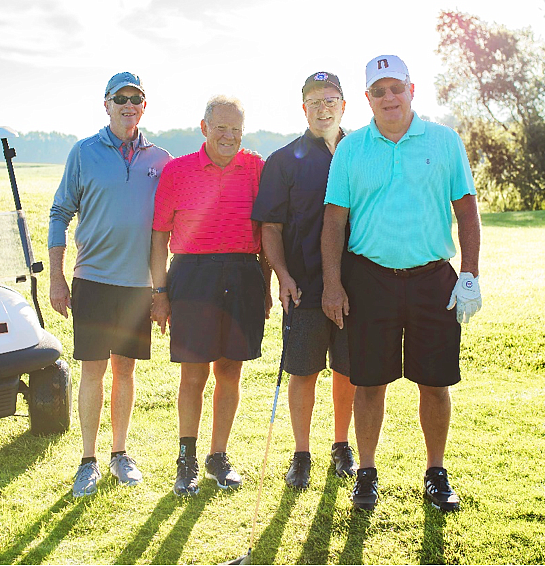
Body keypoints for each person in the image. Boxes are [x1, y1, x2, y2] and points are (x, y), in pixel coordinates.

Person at [321, 55, 482, 513]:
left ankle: (435, 473)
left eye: (396, 88)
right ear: (367, 98)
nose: (389, 97)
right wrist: (333, 284)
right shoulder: (351, 150)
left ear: (412, 89)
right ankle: (367, 473)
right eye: (379, 91)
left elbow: (467, 210)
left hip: (433, 280)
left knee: (435, 383)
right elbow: (334, 221)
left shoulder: (444, 141)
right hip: (369, 280)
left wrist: (469, 273)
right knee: (369, 382)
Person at [48, 72, 172, 498]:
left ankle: (120, 454)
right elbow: (59, 213)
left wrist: (163, 290)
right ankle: (88, 460)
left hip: (138, 286)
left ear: (143, 106)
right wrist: (57, 277)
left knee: (126, 370)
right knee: (93, 371)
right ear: (106, 104)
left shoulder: (161, 159)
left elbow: (170, 225)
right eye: (120, 98)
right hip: (93, 280)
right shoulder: (84, 152)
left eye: (135, 98)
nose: (128, 105)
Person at [149, 95, 273, 497]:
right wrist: (160, 293)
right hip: (191, 275)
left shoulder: (257, 168)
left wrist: (266, 285)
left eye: (236, 130)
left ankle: (218, 456)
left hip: (243, 273)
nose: (229, 136)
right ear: (204, 127)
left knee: (230, 371)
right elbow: (158, 238)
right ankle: (185, 459)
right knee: (194, 372)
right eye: (221, 127)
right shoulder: (177, 170)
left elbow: (269, 235)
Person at [251, 71, 358, 490]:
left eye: (331, 99)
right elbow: (270, 229)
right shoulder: (283, 160)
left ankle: (341, 445)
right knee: (304, 372)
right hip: (304, 286)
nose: (323, 107)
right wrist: (283, 275)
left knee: (348, 371)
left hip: (357, 286)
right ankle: (301, 453)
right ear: (304, 109)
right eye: (315, 101)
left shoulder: (362, 152)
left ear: (344, 105)